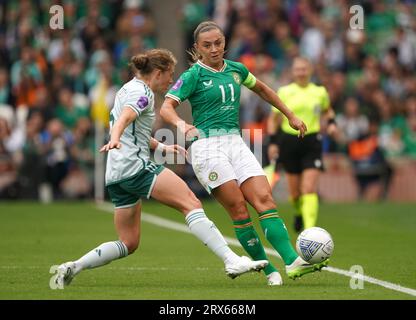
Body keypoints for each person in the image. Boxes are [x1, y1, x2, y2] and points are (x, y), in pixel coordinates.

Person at [52, 49, 268, 288]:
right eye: (170, 74)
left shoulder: (127, 87)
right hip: (136, 167)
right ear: (157, 72)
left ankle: (74, 266)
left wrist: (161, 147)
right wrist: (114, 138)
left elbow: (135, 130)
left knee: (128, 242)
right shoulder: (141, 92)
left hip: (116, 175)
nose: (172, 80)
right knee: (191, 203)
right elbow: (125, 118)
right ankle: (231, 260)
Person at [160, 21, 328, 286]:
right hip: (206, 147)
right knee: (239, 209)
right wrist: (181, 124)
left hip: (235, 143)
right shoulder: (193, 75)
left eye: (218, 43)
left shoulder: (237, 69)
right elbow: (167, 107)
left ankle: (293, 262)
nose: (214, 49)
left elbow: (263, 89)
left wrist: (290, 115)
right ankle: (269, 269)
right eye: (207, 45)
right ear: (197, 48)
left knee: (264, 199)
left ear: (224, 42)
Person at [267, 57, 338, 232]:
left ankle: (310, 231)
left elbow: (327, 109)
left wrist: (331, 123)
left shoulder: (319, 92)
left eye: (304, 69)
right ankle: (299, 212)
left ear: (310, 71)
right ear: (293, 71)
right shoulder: (284, 92)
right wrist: (273, 143)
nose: (301, 72)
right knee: (295, 194)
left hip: (312, 141)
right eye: (298, 69)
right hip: (289, 141)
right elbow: (273, 120)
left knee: (308, 188)